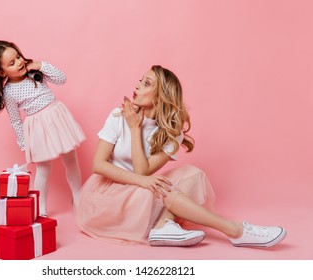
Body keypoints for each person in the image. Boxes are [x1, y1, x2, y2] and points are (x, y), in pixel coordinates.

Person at [75, 65, 286, 247]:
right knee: (159, 188)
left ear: (160, 95)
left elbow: (143, 170)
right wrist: (134, 128)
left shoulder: (171, 133)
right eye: (141, 81)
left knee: (193, 174)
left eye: (147, 83)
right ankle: (235, 230)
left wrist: (137, 134)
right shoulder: (118, 116)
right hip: (107, 199)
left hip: (141, 192)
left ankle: (162, 226)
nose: (138, 86)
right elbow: (99, 165)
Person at [0, 40, 86, 217]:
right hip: (38, 129)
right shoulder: (9, 92)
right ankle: (40, 209)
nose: (19, 62)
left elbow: (61, 79)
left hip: (57, 118)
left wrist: (41, 65)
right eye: (12, 63)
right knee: (43, 170)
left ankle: (78, 199)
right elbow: (16, 121)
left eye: (18, 57)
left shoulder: (35, 72)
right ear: (1, 72)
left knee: (71, 162)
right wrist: (24, 144)